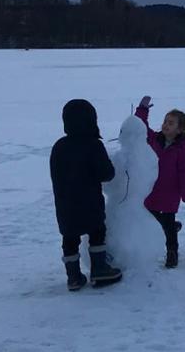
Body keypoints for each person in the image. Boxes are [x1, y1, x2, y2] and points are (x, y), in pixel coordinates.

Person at [50, 99, 123, 290]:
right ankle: (99, 269)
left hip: (65, 206)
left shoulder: (59, 147)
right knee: (97, 233)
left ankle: (73, 277)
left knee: (69, 238)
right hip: (90, 204)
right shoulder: (93, 145)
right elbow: (106, 174)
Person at [134, 96, 185, 269]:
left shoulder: (183, 148)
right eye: (165, 121)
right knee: (150, 216)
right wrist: (142, 110)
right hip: (152, 190)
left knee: (168, 224)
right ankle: (169, 228)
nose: (165, 125)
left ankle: (172, 252)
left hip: (170, 193)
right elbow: (140, 129)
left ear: (180, 129)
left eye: (170, 123)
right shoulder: (155, 139)